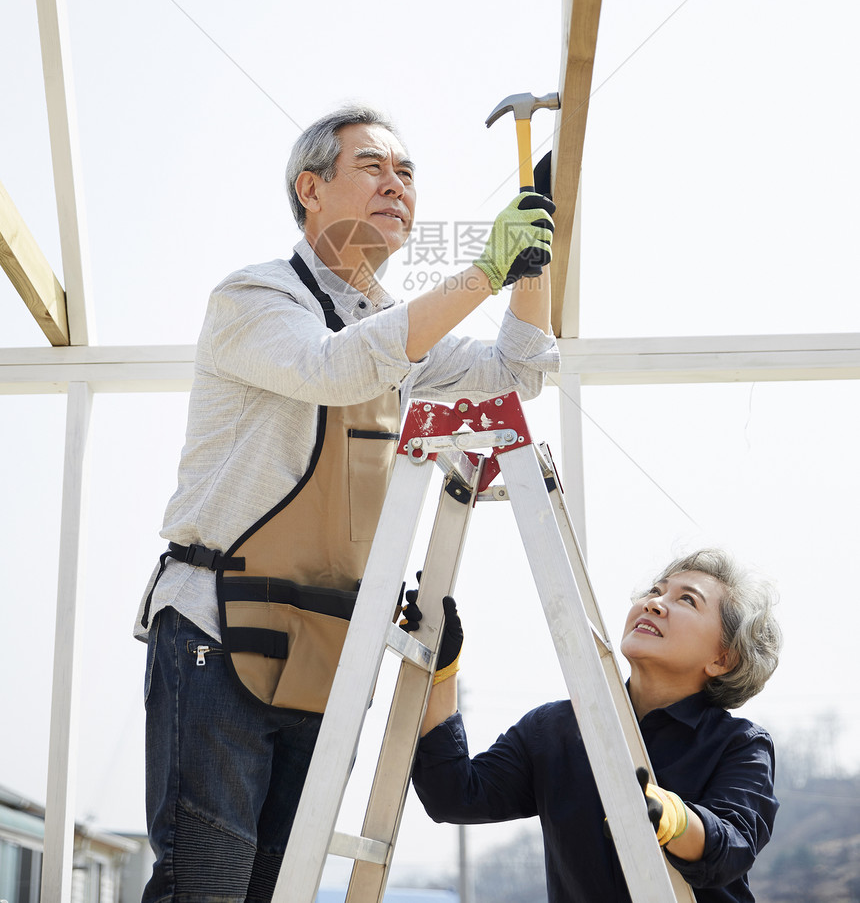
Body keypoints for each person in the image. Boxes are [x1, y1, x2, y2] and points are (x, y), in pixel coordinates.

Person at [134, 103, 558, 903]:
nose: (396, 185)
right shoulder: (253, 298)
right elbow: (333, 368)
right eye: (373, 167)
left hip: (326, 638)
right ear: (310, 189)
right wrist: (482, 271)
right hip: (216, 628)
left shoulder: (396, 333)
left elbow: (519, 367)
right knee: (207, 886)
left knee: (274, 887)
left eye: (407, 173)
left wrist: (533, 258)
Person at [413, 548, 782, 903]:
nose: (654, 603)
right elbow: (452, 795)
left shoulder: (740, 745)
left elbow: (733, 847)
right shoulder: (553, 728)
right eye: (656, 590)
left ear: (723, 658)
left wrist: (669, 817)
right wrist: (442, 668)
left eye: (687, 600)